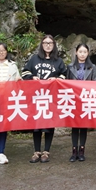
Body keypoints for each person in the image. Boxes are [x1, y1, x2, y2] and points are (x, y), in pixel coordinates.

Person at [22, 34, 67, 163]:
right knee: (36, 124)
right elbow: (25, 72)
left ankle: (46, 151)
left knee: (49, 124)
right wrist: (32, 77)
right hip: (36, 97)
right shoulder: (34, 59)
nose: (48, 45)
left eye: (50, 43)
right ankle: (36, 151)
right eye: (45, 43)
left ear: (54, 45)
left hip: (51, 98)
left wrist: (56, 79)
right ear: (42, 45)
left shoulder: (58, 61)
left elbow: (65, 74)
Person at [66, 43, 96, 162]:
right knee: (74, 126)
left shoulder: (92, 67)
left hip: (86, 99)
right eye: (80, 52)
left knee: (83, 125)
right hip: (73, 99)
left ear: (88, 53)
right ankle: (74, 151)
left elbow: (95, 83)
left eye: (85, 52)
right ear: (76, 53)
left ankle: (82, 150)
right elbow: (66, 83)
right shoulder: (70, 67)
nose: (82, 54)